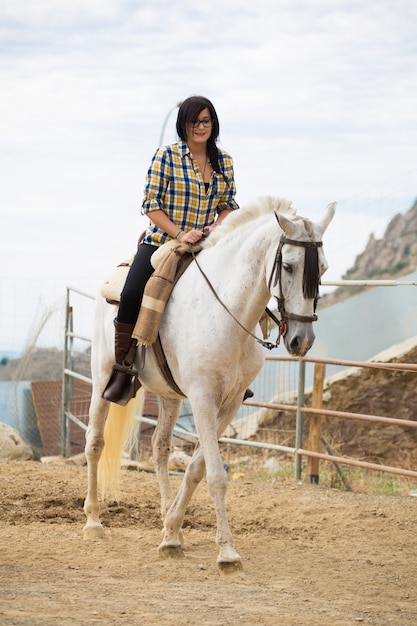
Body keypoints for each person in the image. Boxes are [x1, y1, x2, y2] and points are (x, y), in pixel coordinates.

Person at [103, 95, 252, 404]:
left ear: (213, 124)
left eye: (206, 121)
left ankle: (234, 368)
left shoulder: (224, 161)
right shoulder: (167, 156)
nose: (200, 127)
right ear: (182, 125)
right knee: (131, 294)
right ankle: (124, 369)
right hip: (162, 241)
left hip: (206, 244)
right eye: (193, 121)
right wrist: (180, 234)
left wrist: (215, 227)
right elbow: (150, 205)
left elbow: (228, 205)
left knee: (241, 286)